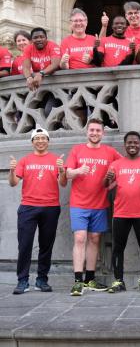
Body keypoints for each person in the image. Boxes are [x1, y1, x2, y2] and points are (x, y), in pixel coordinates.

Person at [66, 118, 121, 296]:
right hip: (79, 203)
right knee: (80, 238)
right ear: (86, 132)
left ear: (103, 133)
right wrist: (77, 171)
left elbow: (124, 166)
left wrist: (111, 186)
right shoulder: (77, 150)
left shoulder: (110, 152)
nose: (95, 133)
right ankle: (77, 281)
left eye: (98, 130)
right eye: (92, 130)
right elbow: (66, 173)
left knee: (95, 238)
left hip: (100, 203)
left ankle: (90, 278)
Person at [9, 126, 67, 294]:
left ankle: (42, 280)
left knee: (46, 246)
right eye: (37, 138)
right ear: (32, 142)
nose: (41, 141)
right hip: (28, 207)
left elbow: (63, 183)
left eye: (44, 138)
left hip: (51, 207)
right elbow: (13, 183)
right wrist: (12, 169)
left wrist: (62, 170)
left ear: (48, 141)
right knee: (25, 245)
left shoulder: (56, 159)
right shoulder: (25, 160)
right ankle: (22, 281)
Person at [104, 131, 140, 294]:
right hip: (120, 213)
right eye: (129, 142)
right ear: (125, 145)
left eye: (135, 142)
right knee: (118, 248)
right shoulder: (116, 164)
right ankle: (119, 281)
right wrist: (107, 178)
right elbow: (106, 187)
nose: (132, 145)